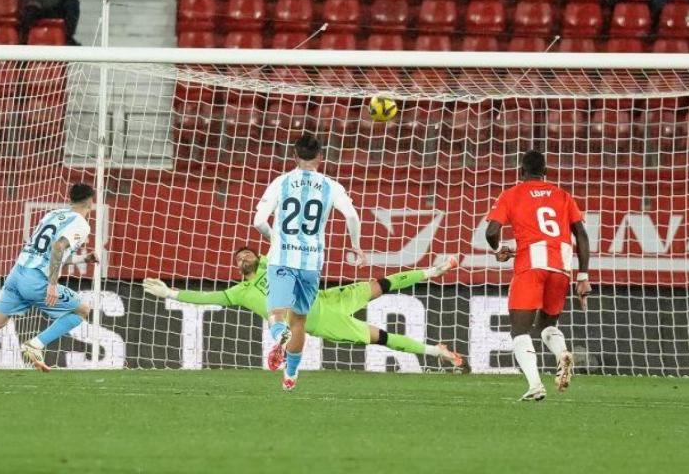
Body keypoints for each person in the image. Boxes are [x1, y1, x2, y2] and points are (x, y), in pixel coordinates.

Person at [143, 249, 463, 368]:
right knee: (381, 337)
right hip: (320, 323)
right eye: (238, 258)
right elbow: (205, 299)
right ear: (238, 268)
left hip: (326, 299)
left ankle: (431, 272)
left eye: (247, 254)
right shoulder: (239, 292)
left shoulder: (273, 262)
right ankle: (437, 352)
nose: (242, 258)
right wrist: (171, 292)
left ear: (257, 256)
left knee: (380, 284)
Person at [0, 183, 99, 380]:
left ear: (70, 199)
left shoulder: (53, 215)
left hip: (17, 274)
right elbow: (58, 247)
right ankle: (36, 344)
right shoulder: (82, 224)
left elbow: (50, 253)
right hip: (37, 280)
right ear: (91, 202)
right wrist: (51, 285)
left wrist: (83, 259)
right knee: (83, 310)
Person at [253, 132, 365, 391]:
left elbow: (258, 221)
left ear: (294, 156)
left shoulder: (280, 182)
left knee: (276, 314)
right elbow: (352, 217)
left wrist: (274, 239)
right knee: (299, 321)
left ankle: (279, 335)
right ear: (321, 157)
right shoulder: (331, 185)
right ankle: (290, 375)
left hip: (281, 259)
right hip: (311, 263)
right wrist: (356, 245)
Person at [485, 150, 591, 401]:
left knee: (520, 331)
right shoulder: (563, 195)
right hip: (561, 267)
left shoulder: (512, 194)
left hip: (531, 265)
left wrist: (500, 250)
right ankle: (562, 353)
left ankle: (535, 385)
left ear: (521, 172)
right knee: (547, 326)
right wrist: (583, 275)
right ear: (546, 173)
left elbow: (491, 232)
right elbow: (582, 236)